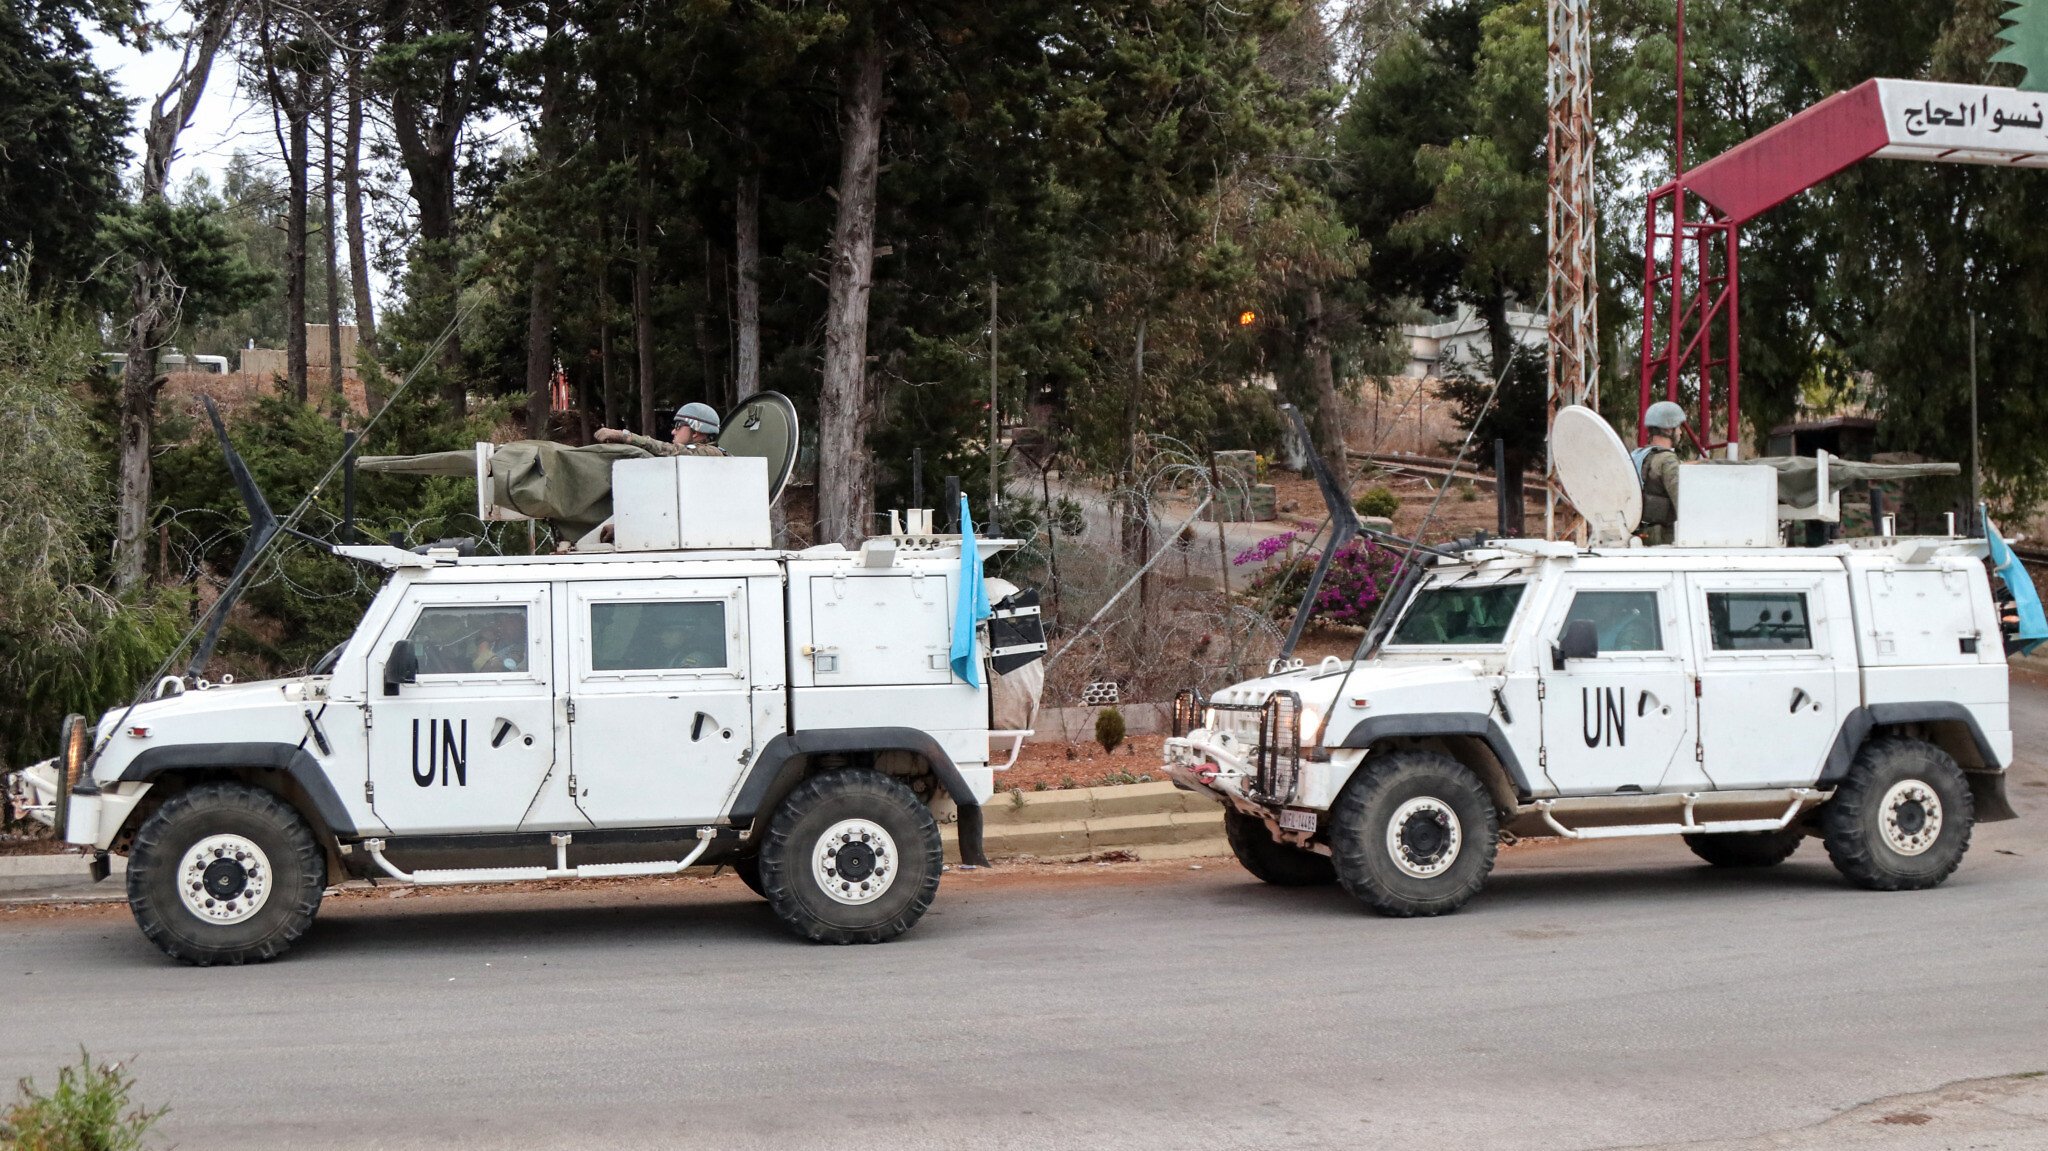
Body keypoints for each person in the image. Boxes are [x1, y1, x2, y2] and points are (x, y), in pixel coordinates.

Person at [1631, 401, 1687, 546]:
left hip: (1639, 536)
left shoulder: (1638, 455)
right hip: (1663, 542)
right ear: (1668, 430)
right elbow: (1684, 505)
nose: (1680, 432)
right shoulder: (1667, 460)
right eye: (1678, 428)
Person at [594, 403, 728, 457]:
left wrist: (625, 436)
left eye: (678, 426)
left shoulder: (711, 453)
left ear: (696, 432)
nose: (673, 432)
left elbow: (672, 450)